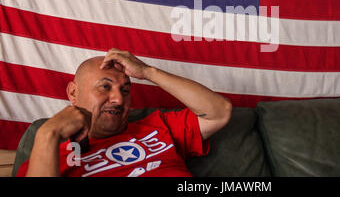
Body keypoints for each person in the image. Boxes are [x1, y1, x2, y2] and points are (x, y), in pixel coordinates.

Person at [17, 48, 232, 177]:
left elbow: (220, 112)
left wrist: (148, 72)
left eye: (126, 90)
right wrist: (48, 134)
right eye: (105, 86)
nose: (119, 99)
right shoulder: (48, 157)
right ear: (73, 92)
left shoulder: (158, 126)